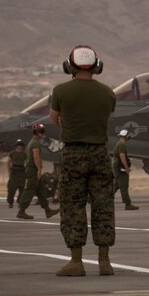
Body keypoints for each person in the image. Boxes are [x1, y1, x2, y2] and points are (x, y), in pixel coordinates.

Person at [50, 45, 116, 277]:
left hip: (73, 153)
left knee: (73, 206)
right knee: (103, 205)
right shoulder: (107, 92)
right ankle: (104, 261)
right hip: (99, 154)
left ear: (69, 66)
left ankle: (76, 261)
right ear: (97, 66)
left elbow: (54, 118)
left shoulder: (60, 91)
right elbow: (107, 114)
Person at [17, 125, 60, 220]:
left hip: (33, 169)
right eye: (41, 131)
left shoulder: (32, 142)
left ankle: (48, 210)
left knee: (40, 190)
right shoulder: (35, 143)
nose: (43, 133)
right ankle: (21, 211)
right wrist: (39, 170)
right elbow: (36, 157)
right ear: (37, 132)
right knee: (30, 189)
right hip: (33, 170)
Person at [113, 129, 139, 210]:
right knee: (124, 186)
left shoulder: (118, 144)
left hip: (117, 167)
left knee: (116, 185)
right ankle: (128, 204)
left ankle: (102, 200)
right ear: (126, 136)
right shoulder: (121, 145)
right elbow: (122, 156)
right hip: (121, 168)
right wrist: (126, 168)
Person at [6, 139, 26, 209]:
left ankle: (20, 202)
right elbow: (8, 162)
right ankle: (10, 202)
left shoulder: (24, 154)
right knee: (11, 189)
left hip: (22, 173)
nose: (20, 147)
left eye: (21, 145)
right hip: (14, 173)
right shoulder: (12, 153)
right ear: (16, 146)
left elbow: (27, 162)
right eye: (18, 145)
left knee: (22, 189)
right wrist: (9, 171)